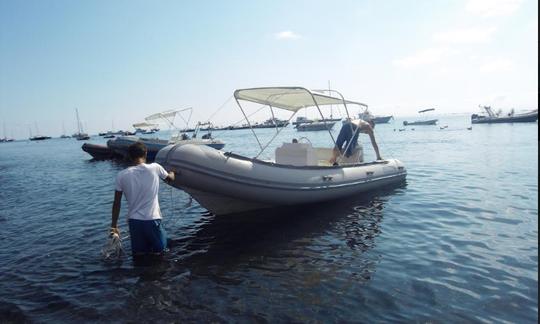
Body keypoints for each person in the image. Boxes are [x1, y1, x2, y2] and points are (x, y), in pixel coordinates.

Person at [111, 142, 175, 259]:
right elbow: (170, 179)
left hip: (134, 222)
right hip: (152, 220)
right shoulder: (155, 167)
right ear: (145, 153)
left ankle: (142, 276)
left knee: (139, 256)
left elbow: (116, 203)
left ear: (129, 156)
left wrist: (114, 226)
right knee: (161, 254)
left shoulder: (121, 175)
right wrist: (173, 172)